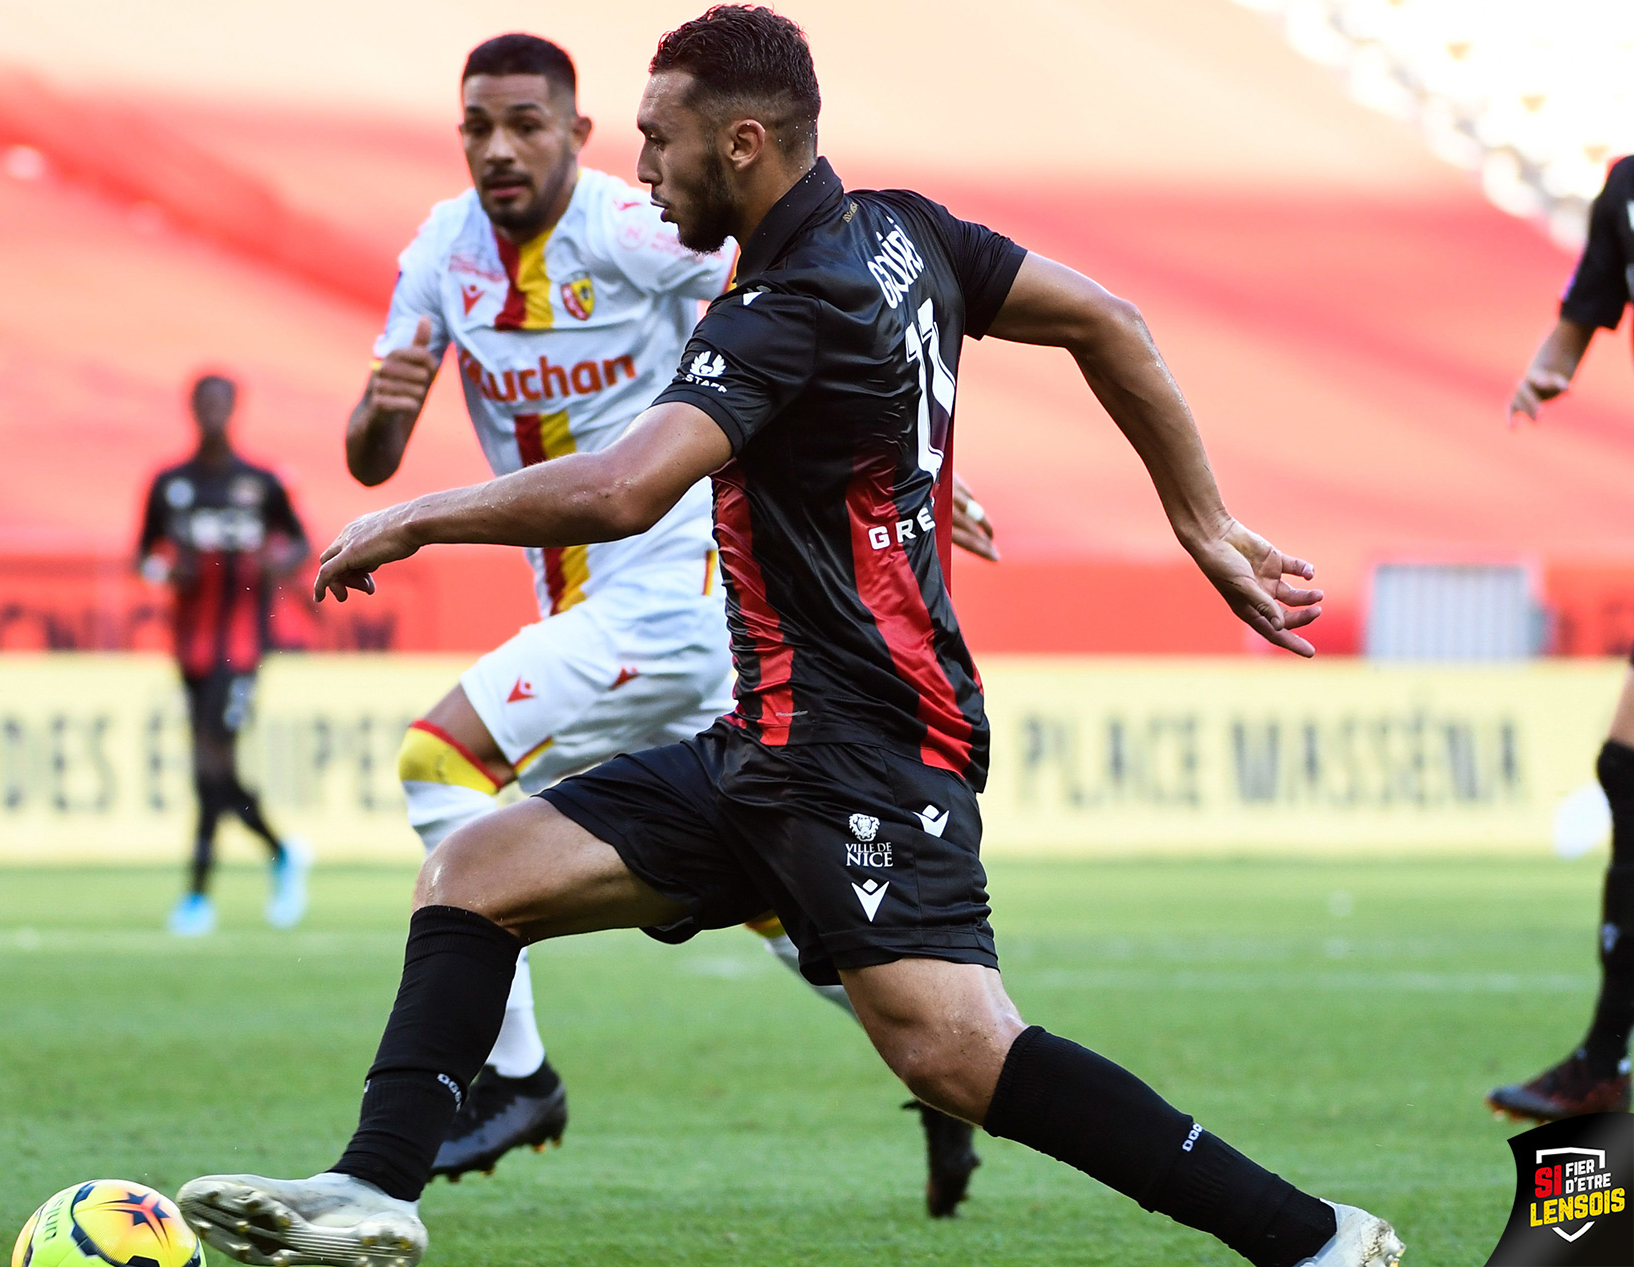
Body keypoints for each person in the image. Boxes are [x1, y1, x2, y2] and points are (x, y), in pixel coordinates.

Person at [177, 9, 1400, 1266]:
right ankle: (377, 1189)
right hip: (764, 737)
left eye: (657, 141)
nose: (642, 169)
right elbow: (1109, 320)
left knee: (956, 1053)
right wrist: (1200, 521)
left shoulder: (779, 309)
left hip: (864, 742)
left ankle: (1311, 1239)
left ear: (743, 143)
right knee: (476, 872)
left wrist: (417, 515)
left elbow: (620, 491)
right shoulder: (909, 232)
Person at [353, 30, 994, 1208]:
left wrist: (889, 458)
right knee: (772, 879)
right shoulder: (439, 254)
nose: (500, 149)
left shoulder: (637, 228)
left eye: (526, 126)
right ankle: (950, 1072)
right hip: (593, 608)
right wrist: (380, 416)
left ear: (575, 133)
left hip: (673, 591)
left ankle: (513, 1078)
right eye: (477, 130)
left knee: (439, 758)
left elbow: (805, 329)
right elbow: (368, 452)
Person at [1490, 154, 1634, 1121]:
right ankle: (1600, 1062)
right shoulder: (1624, 189)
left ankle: (1598, 1062)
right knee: (1626, 771)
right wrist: (1554, 363)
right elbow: (1591, 296)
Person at [137, 373, 313, 937]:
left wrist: (280, 565)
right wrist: (168, 570)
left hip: (241, 647)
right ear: (193, 408)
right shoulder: (170, 484)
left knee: (209, 765)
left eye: (221, 403)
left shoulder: (260, 484)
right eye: (204, 404)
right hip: (189, 647)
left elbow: (302, 542)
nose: (213, 413)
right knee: (213, 771)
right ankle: (282, 852)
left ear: (233, 408)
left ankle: (196, 894)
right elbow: (143, 556)